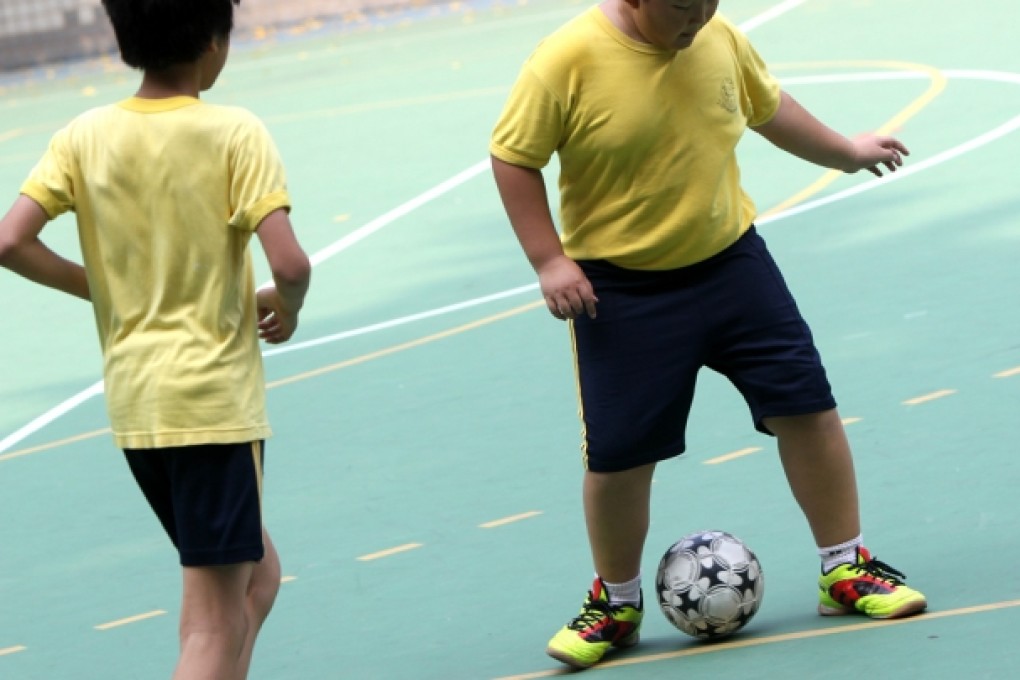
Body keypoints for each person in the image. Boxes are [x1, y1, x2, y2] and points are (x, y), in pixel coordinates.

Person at [489, 0, 927, 670]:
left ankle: (845, 569)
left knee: (807, 408)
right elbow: (512, 157)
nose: (697, 15)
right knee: (619, 457)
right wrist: (550, 259)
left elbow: (768, 107)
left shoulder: (718, 38)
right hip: (623, 291)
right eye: (681, 5)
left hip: (732, 265)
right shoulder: (566, 59)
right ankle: (617, 603)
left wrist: (844, 151)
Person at [0, 1, 311, 677]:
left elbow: (10, 240)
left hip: (140, 409)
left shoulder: (83, 134)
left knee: (255, 578)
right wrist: (286, 306)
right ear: (211, 42)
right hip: (212, 406)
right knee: (211, 621)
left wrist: (106, 289)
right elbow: (290, 264)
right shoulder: (234, 132)